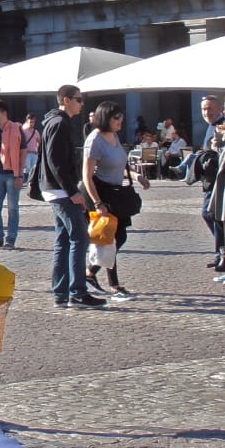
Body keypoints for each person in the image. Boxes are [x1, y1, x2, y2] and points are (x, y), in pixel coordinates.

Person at [35, 85, 106, 309]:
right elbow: (56, 162)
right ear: (66, 100)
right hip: (60, 190)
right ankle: (77, 291)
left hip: (54, 189)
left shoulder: (53, 122)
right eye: (78, 99)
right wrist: (73, 191)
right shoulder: (59, 124)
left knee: (64, 239)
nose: (81, 104)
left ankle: (61, 292)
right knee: (79, 238)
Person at [82, 101, 149, 300]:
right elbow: (86, 175)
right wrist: (97, 203)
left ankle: (90, 272)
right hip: (100, 192)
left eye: (121, 117)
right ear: (105, 118)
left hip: (116, 191)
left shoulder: (114, 136)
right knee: (110, 238)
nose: (121, 121)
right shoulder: (95, 140)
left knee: (119, 237)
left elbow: (121, 163)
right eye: (116, 118)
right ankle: (114, 285)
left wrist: (137, 176)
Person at [0, 100, 25, 249]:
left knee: (13, 208)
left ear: (4, 114)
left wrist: (20, 174)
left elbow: (23, 152)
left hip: (13, 174)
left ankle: (11, 239)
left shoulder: (16, 128)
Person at [198, 95, 225, 273]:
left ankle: (222, 254)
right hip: (211, 176)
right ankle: (221, 254)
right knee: (213, 215)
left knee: (212, 214)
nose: (206, 112)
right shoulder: (211, 126)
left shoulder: (221, 125)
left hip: (219, 177)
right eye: (203, 109)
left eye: (210, 109)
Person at [21, 113, 41, 179]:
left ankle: (31, 184)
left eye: (33, 122)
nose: (32, 124)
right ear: (27, 121)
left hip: (34, 153)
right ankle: (26, 184)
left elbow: (39, 142)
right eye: (30, 122)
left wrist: (38, 150)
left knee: (34, 170)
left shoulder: (36, 132)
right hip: (26, 153)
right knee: (26, 169)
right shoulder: (23, 131)